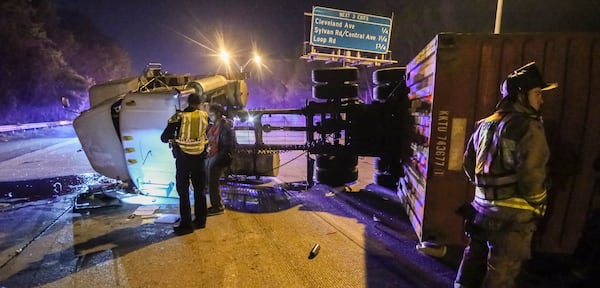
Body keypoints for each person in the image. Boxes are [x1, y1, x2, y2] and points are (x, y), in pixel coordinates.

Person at [454, 62, 557, 288]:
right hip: (512, 219)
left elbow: (468, 163)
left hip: (481, 211)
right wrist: (539, 204)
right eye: (538, 93)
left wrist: (488, 190)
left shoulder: (484, 125)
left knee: (472, 262)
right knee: (502, 272)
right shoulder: (529, 127)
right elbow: (531, 176)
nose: (541, 100)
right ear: (521, 96)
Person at [160, 93, 209, 235]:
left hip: (183, 158)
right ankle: (201, 221)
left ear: (187, 102)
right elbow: (207, 132)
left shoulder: (179, 117)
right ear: (200, 103)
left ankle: (186, 224)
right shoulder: (205, 116)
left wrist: (174, 139)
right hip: (200, 158)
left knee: (183, 191)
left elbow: (164, 137)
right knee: (200, 190)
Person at [206, 103, 234, 216]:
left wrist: (216, 158)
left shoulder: (225, 126)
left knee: (213, 182)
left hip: (220, 158)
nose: (210, 116)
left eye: (211, 114)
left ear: (217, 114)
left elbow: (227, 146)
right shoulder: (215, 124)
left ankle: (218, 207)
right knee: (212, 182)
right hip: (213, 156)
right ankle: (216, 205)